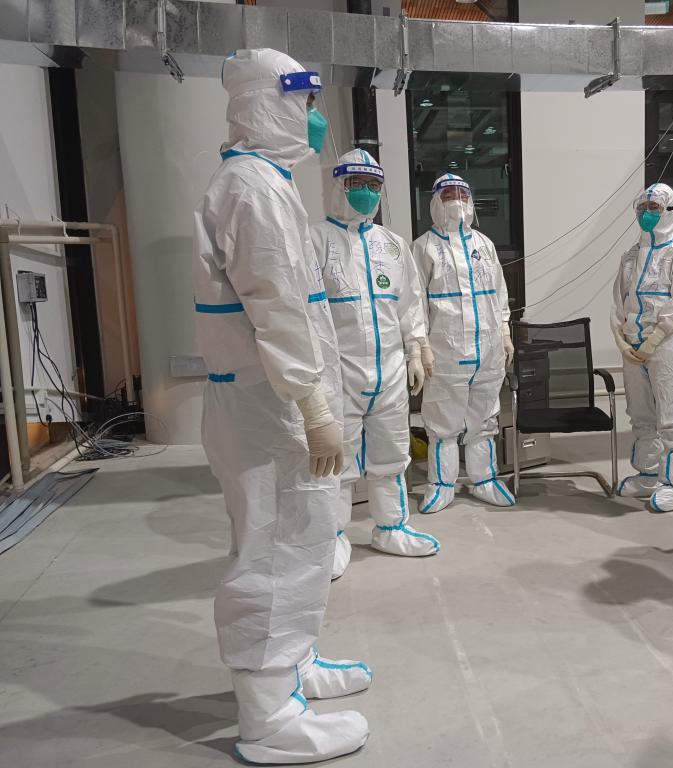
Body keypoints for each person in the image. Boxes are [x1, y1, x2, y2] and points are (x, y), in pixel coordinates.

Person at [194, 49, 370, 763]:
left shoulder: (264, 181)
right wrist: (314, 405)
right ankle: (267, 717)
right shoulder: (253, 189)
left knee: (301, 538)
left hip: (274, 400)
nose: (316, 117)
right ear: (270, 103)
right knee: (275, 547)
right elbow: (279, 310)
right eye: (307, 101)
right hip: (271, 404)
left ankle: (292, 666)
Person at [312, 149, 440, 579]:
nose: (366, 192)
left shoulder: (392, 244)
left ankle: (391, 528)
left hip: (389, 370)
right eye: (356, 184)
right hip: (338, 373)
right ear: (337, 186)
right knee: (338, 462)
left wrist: (417, 348)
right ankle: (332, 537)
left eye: (373, 185)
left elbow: (409, 304)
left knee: (391, 453)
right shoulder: (315, 241)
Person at [412, 174, 515, 513]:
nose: (456, 200)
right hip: (445, 352)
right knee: (443, 421)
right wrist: (421, 347)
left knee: (484, 418)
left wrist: (504, 332)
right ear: (435, 201)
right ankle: (441, 485)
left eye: (462, 194)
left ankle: (485, 479)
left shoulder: (484, 244)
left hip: (488, 350)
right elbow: (414, 302)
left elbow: (498, 292)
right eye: (448, 195)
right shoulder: (424, 246)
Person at [611, 183, 673, 512]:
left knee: (672, 416)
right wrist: (622, 341)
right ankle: (648, 474)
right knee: (641, 415)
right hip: (633, 349)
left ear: (669, 211)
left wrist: (654, 339)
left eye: (655, 208)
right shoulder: (630, 256)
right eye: (643, 208)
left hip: (665, 347)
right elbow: (617, 303)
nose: (647, 214)